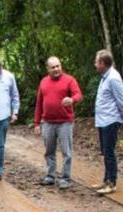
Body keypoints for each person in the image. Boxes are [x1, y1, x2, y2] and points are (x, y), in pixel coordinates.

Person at [33, 56, 83, 189]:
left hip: (65, 122)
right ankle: (50, 176)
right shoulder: (43, 82)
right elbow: (39, 103)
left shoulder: (69, 80)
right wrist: (37, 123)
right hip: (47, 122)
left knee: (66, 151)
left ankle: (65, 178)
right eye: (53, 67)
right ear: (48, 69)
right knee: (49, 151)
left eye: (58, 66)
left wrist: (72, 100)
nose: (56, 69)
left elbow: (78, 94)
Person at [93, 49, 123, 194]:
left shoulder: (113, 78)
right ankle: (106, 180)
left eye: (96, 62)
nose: (95, 64)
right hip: (103, 120)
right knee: (105, 151)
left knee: (109, 152)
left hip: (111, 120)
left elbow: (122, 101)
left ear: (102, 63)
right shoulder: (105, 77)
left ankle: (112, 182)